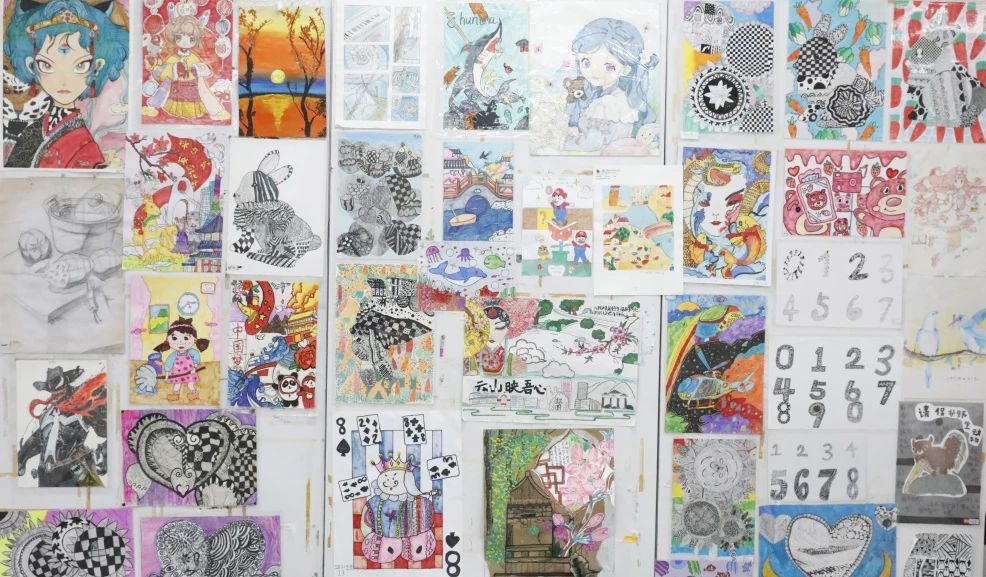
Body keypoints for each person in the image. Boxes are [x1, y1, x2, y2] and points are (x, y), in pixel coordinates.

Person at [4, 0, 128, 168]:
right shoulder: (34, 128)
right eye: (47, 65)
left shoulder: (86, 147)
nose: (63, 80)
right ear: (31, 65)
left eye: (80, 65)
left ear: (97, 67)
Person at [563, 18, 658, 153]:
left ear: (626, 69)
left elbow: (592, 144)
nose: (594, 72)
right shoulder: (600, 95)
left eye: (609, 67)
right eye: (586, 63)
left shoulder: (610, 104)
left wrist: (565, 141)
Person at [142, 14, 228, 121]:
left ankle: (216, 110)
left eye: (191, 39)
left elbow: (202, 71)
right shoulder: (173, 57)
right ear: (174, 37)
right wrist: (173, 69)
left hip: (192, 89)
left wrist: (197, 70)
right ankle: (152, 106)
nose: (185, 42)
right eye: (179, 37)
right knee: (165, 85)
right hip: (176, 90)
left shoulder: (194, 57)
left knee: (202, 87)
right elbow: (163, 70)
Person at [153, 317, 210, 402]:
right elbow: (168, 364)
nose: (180, 342)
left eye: (186, 338)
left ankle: (194, 394)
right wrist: (167, 376)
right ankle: (175, 395)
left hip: (190, 373)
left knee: (190, 385)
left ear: (194, 340)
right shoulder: (173, 355)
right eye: (175, 338)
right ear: (168, 339)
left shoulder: (192, 352)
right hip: (178, 374)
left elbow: (196, 357)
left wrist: (194, 368)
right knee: (177, 385)